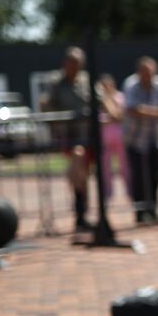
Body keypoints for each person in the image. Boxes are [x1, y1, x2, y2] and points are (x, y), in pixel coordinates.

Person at [41, 47, 99, 230]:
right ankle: (80, 209)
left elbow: (101, 99)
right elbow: (47, 105)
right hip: (68, 134)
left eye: (78, 63)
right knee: (77, 163)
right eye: (71, 62)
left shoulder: (86, 80)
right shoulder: (56, 82)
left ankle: (82, 211)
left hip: (87, 133)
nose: (74, 67)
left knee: (84, 173)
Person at [123, 57, 158, 224]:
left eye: (150, 73)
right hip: (135, 139)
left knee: (155, 175)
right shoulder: (131, 85)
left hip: (156, 139)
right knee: (139, 176)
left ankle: (153, 210)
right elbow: (133, 108)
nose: (148, 77)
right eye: (145, 73)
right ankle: (140, 212)